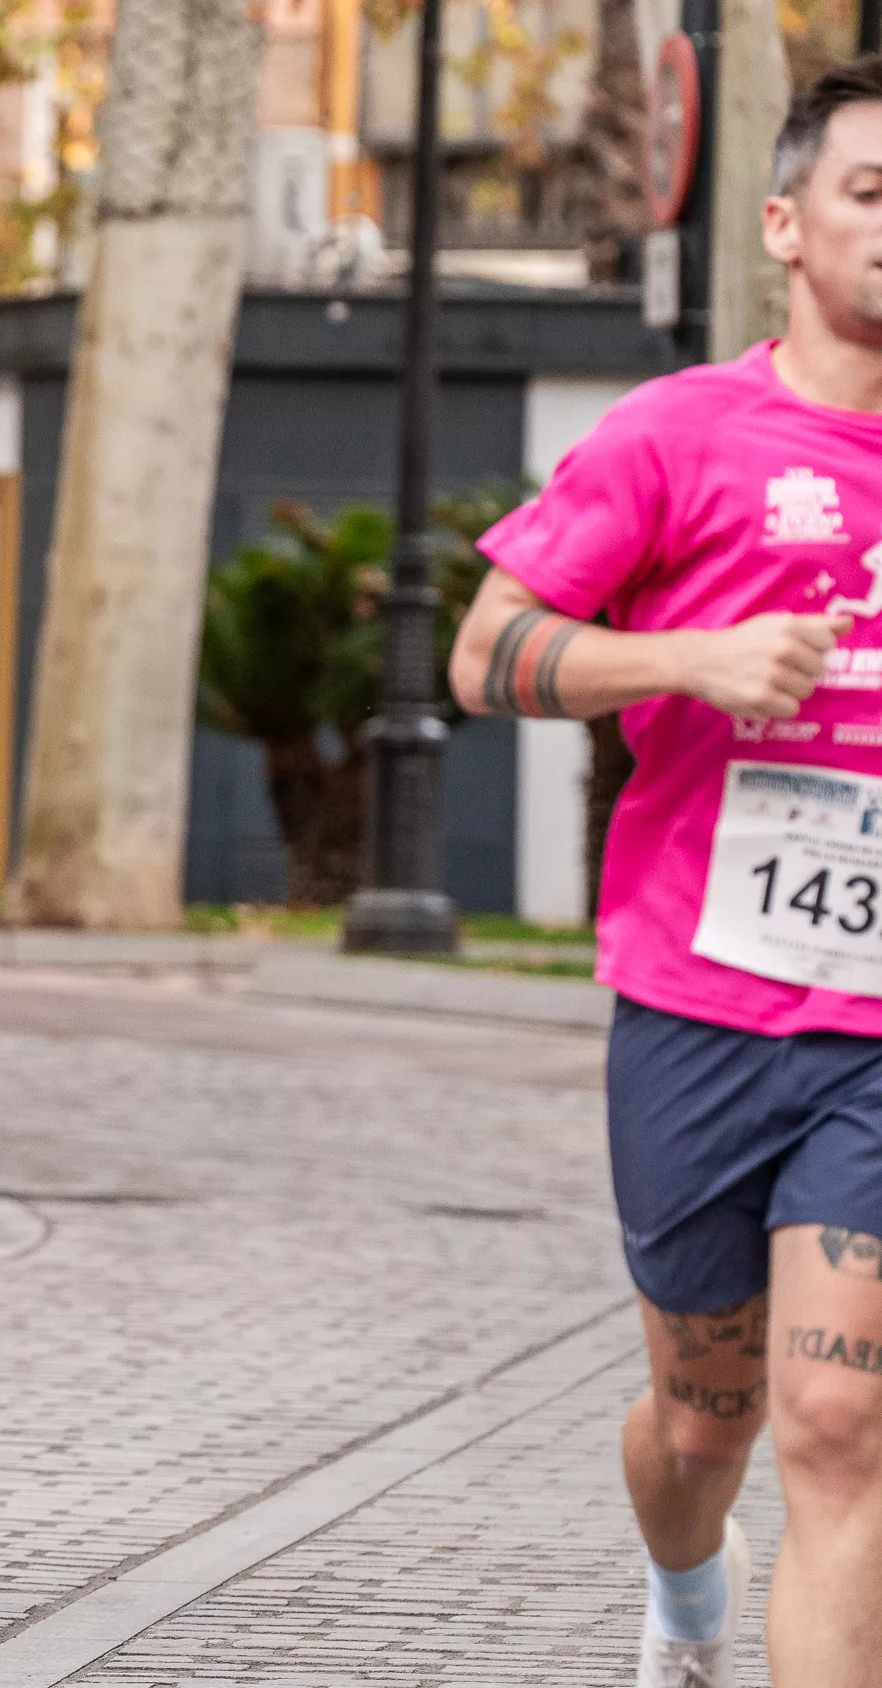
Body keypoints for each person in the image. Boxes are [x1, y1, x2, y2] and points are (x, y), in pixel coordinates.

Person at [448, 59, 882, 1688]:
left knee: (841, 1421)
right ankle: (687, 1575)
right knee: (708, 1419)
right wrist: (691, 662)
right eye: (870, 189)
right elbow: (487, 656)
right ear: (785, 221)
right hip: (699, 1008)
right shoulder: (681, 435)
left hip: (877, 1033)